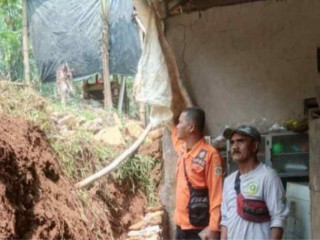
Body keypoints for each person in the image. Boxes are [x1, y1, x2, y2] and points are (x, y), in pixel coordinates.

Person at [220, 125, 289, 240]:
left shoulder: (268, 177)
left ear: (254, 146)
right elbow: (225, 219)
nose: (234, 147)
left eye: (240, 141)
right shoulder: (229, 181)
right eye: (232, 142)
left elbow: (278, 218)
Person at [172, 107, 223, 240]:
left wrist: (213, 228)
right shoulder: (183, 150)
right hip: (180, 226)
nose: (177, 126)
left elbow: (216, 195)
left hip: (199, 229)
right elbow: (173, 133)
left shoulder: (210, 155)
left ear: (191, 127)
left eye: (180, 122)